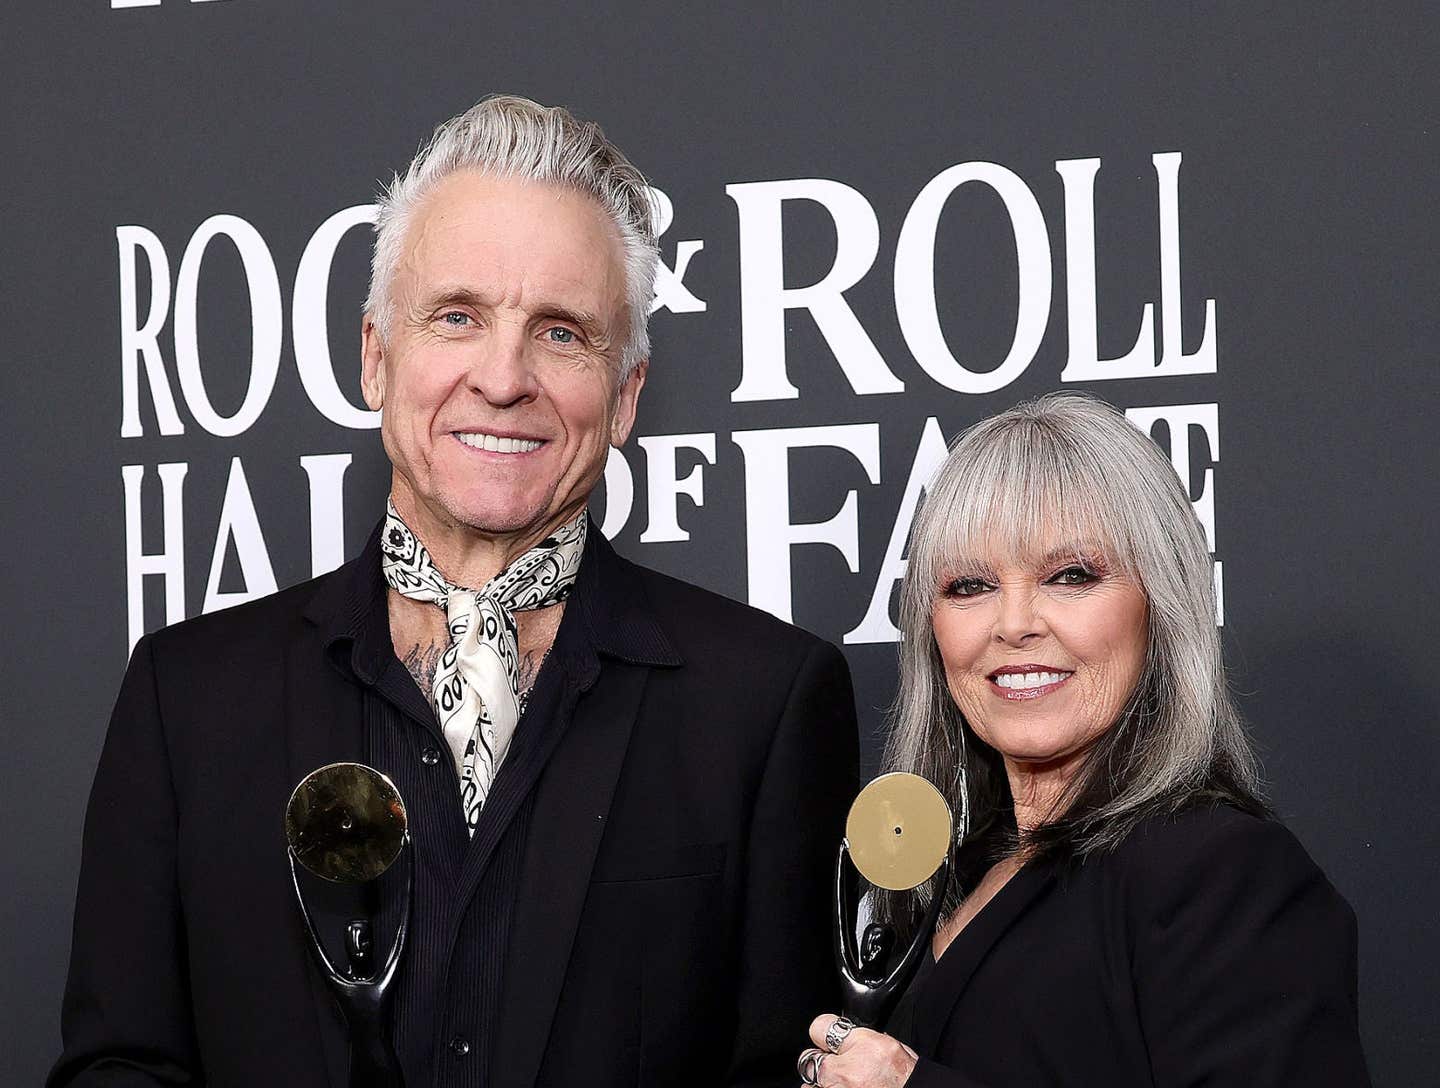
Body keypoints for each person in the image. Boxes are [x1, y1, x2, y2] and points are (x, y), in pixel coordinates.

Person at [52, 95, 858, 1087]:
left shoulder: (763, 703)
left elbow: (792, 1071)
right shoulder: (188, 699)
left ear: (627, 396)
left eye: (562, 333)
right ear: (375, 358)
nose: (504, 376)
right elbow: (120, 1065)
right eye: (458, 317)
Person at [796, 394, 1370, 1087]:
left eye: (1071, 576)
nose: (1013, 624)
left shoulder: (1222, 873)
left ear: (1161, 605)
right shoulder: (947, 877)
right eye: (969, 585)